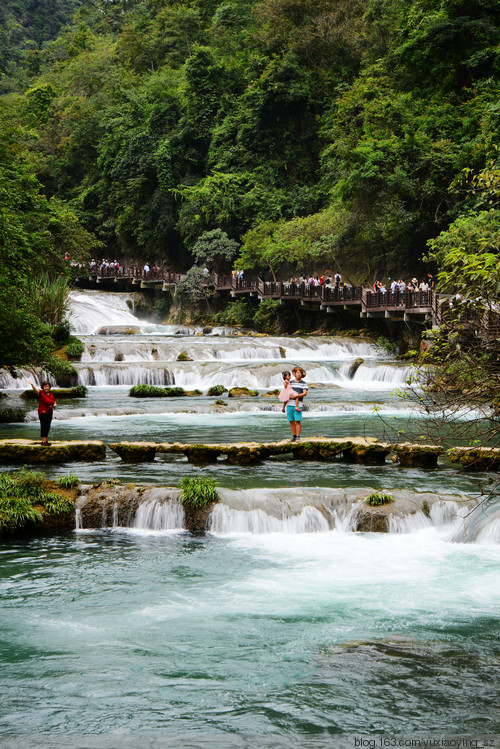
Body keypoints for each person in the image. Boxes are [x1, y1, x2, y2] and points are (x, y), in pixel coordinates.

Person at [28, 380, 57, 446]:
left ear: (50, 387)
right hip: (42, 412)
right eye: (45, 386)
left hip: (49, 412)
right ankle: (43, 442)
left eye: (48, 386)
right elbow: (35, 391)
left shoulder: (51, 394)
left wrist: (54, 405)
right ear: (42, 387)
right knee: (43, 426)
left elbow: (54, 402)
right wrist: (32, 385)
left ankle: (45, 441)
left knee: (47, 426)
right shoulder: (40, 393)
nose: (46, 387)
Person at [285, 366, 308, 442]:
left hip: (298, 404)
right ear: (294, 374)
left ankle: (298, 437)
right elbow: (286, 390)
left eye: (300, 373)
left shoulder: (303, 383)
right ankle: (293, 436)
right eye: (297, 372)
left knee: (297, 421)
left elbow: (304, 393)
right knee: (291, 421)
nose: (299, 374)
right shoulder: (290, 382)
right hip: (289, 403)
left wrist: (296, 396)